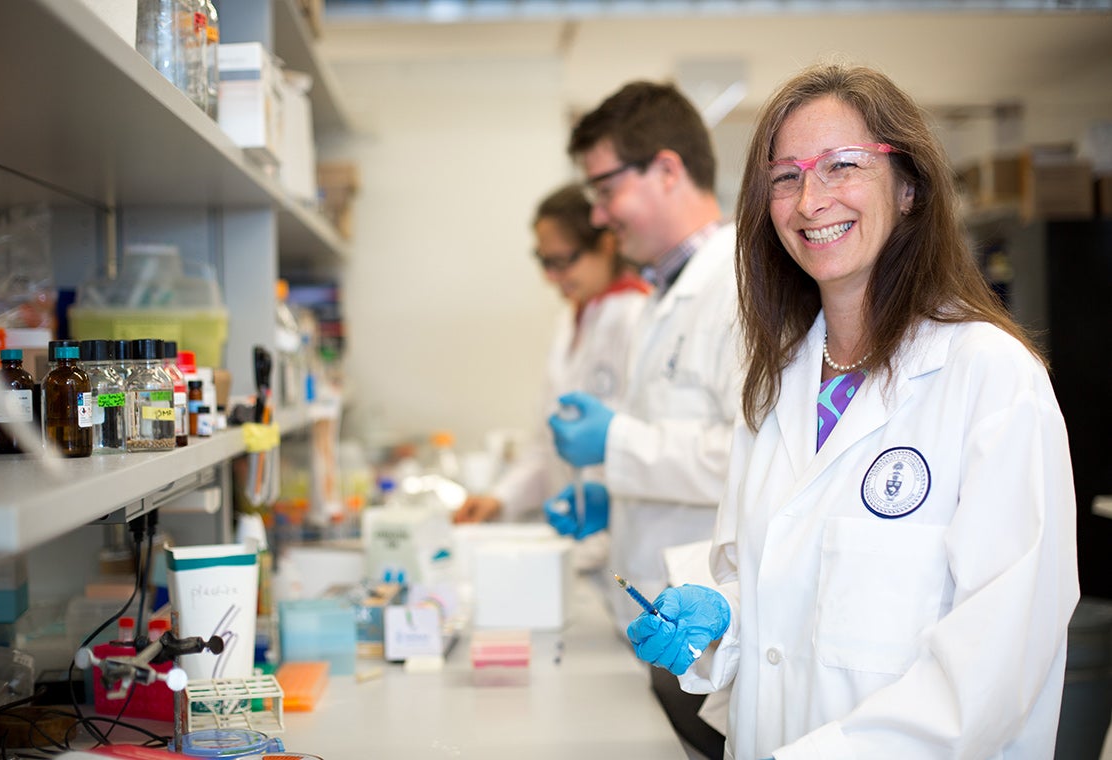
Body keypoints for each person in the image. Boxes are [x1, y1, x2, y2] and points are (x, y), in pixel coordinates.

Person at [626, 62, 1079, 759]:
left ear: (908, 188)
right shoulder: (775, 385)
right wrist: (720, 621)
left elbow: (998, 659)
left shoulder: (989, 378)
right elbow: (774, 599)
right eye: (785, 176)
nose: (810, 200)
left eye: (842, 166)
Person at [544, 81, 744, 759]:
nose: (598, 216)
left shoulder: (742, 288)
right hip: (663, 626)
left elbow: (754, 457)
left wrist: (618, 445)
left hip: (713, 629)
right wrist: (615, 496)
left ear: (666, 169)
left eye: (605, 189)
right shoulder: (665, 293)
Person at [453, 183, 649, 545]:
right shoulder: (570, 319)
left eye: (563, 261)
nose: (552, 277)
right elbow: (547, 442)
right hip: (577, 538)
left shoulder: (638, 316)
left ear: (606, 245)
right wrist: (499, 498)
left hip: (623, 536)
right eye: (545, 262)